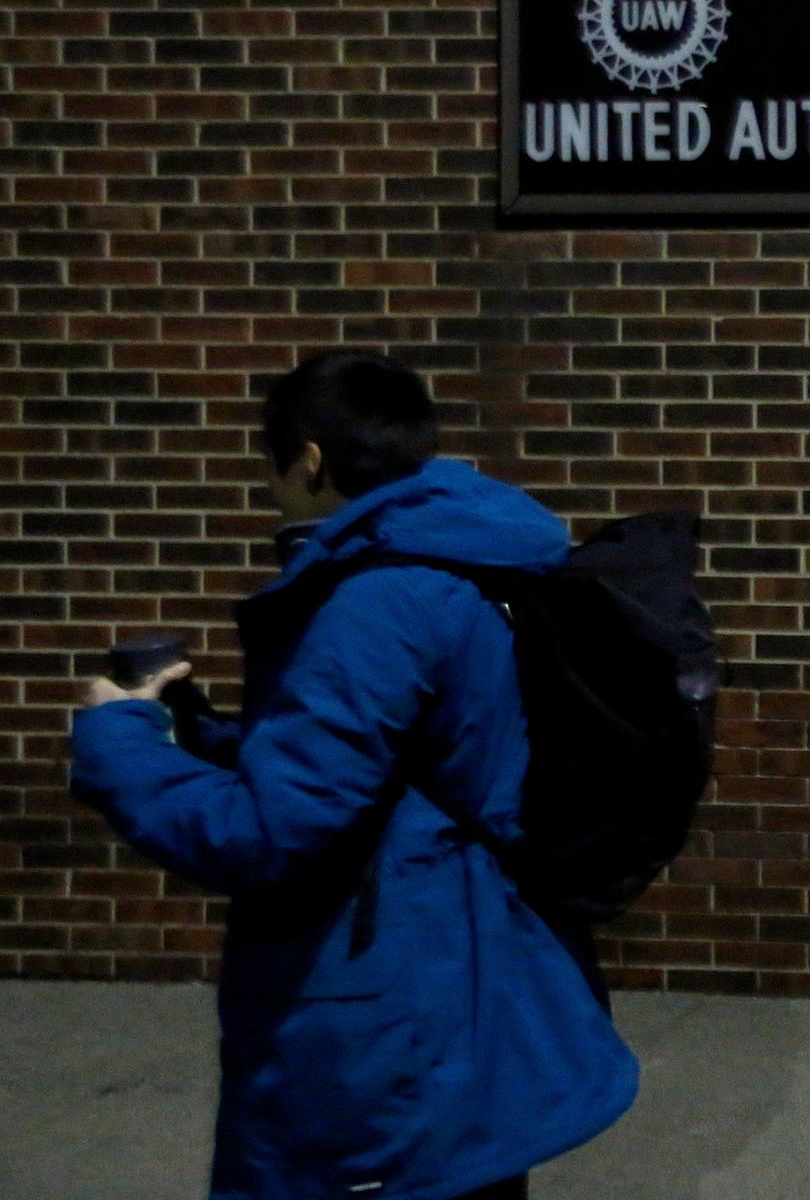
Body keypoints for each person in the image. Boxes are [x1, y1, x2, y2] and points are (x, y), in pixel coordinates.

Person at [70, 351, 636, 1200]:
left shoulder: (377, 599)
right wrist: (199, 735)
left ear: (308, 461)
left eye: (273, 471)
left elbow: (269, 832)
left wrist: (115, 738)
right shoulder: (476, 562)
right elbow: (383, 766)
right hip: (473, 977)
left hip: (389, 1011)